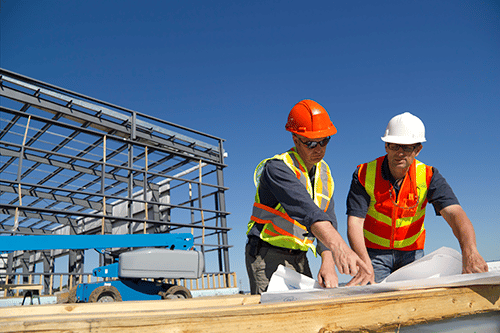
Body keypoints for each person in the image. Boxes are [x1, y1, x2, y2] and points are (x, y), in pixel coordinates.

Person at [245, 99, 371, 294]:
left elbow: (327, 216)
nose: (318, 148)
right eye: (311, 143)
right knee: (275, 318)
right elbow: (307, 211)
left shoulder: (324, 172)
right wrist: (340, 248)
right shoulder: (277, 168)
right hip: (266, 254)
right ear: (295, 139)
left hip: (299, 256)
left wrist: (327, 260)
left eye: (324, 141)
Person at [346, 112, 489, 283]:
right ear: (386, 146)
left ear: (417, 150)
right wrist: (364, 262)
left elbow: (455, 213)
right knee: (372, 299)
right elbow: (355, 221)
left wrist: (470, 251)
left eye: (406, 148)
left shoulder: (429, 176)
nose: (400, 153)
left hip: (412, 254)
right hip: (374, 254)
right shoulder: (363, 174)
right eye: (394, 146)